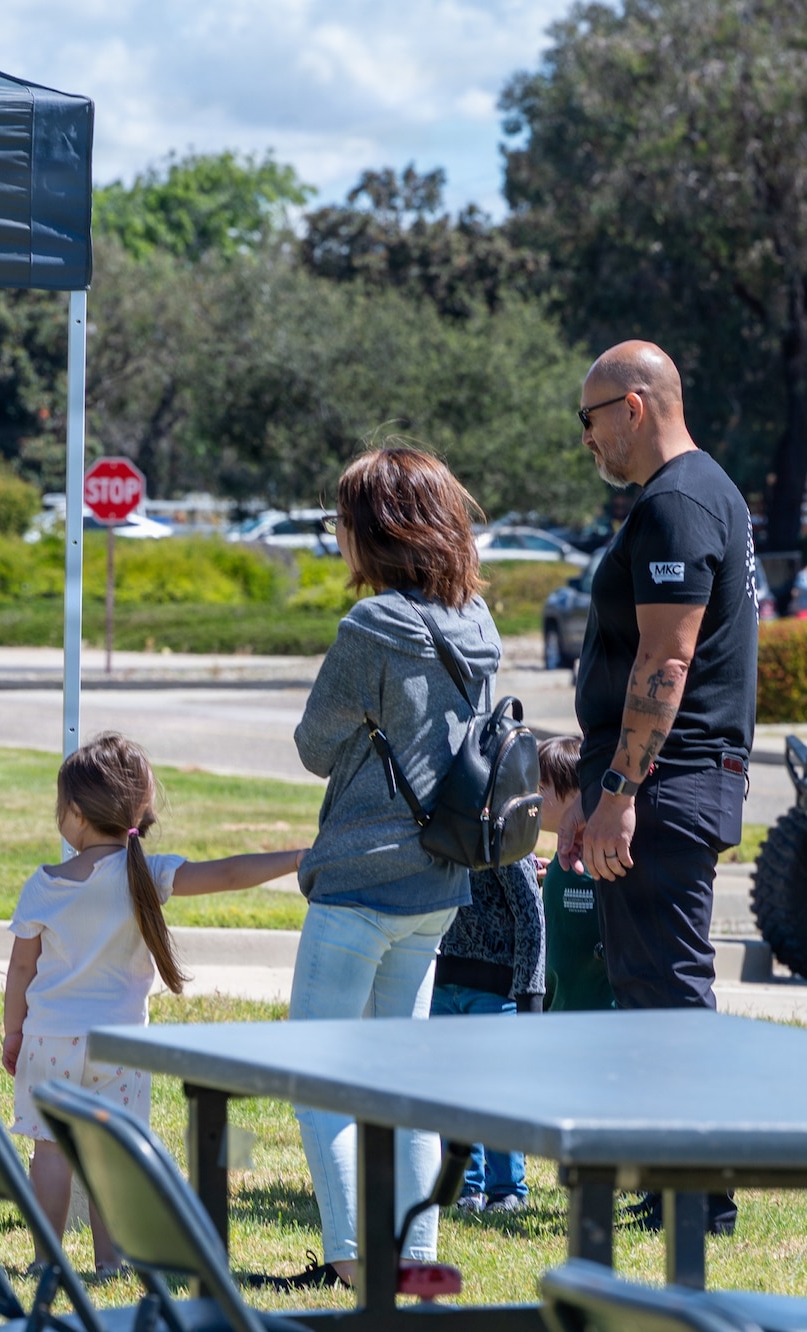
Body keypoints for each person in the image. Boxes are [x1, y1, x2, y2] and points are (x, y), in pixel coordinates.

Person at [274, 446, 501, 1292]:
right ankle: (414, 1259)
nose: (336, 534)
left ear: (374, 531)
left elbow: (313, 745)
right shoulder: (478, 621)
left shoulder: (370, 628)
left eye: (342, 520)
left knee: (319, 1077)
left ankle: (347, 1263)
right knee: (404, 1080)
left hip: (360, 879)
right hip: (438, 880)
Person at [560, 340, 756, 1236]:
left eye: (590, 420)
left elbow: (667, 658)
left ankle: (700, 1195)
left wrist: (621, 788)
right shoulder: (693, 493)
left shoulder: (678, 501)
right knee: (641, 984)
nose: (589, 441)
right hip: (657, 776)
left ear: (633, 407)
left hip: (668, 781)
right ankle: (673, 1179)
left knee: (668, 987)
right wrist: (597, 784)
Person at [1, 732, 304, 1275]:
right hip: (123, 1046)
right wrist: (299, 858)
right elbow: (230, 872)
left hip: (49, 1040)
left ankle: (46, 1261)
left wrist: (12, 1033)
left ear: (73, 813)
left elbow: (21, 968)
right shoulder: (150, 873)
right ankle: (111, 1262)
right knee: (112, 1158)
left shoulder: (43, 883)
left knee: (50, 1152)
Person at [427, 854, 544, 1215]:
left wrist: (530, 995)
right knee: (451, 1091)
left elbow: (531, 919)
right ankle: (466, 1184)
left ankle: (508, 1189)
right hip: (444, 982)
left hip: (497, 989)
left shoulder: (505, 836)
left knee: (496, 1093)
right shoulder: (438, 831)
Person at [537, 736, 616, 1014]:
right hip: (559, 1001)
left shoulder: (597, 859)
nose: (532, 796)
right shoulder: (564, 858)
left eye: (541, 787)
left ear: (576, 797)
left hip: (593, 1007)